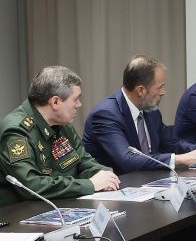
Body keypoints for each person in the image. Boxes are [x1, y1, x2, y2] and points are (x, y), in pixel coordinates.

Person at [83, 55, 196, 174]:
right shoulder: (106, 115)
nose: (163, 92)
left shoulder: (149, 109)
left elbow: (171, 143)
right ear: (141, 90)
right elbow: (126, 160)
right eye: (160, 87)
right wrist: (178, 159)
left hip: (151, 181)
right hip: (118, 188)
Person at [0, 66, 119, 206]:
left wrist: (103, 174)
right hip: (21, 212)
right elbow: (31, 186)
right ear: (55, 102)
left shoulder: (62, 125)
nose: (79, 105)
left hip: (60, 205)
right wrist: (90, 184)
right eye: (76, 99)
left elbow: (83, 162)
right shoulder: (17, 131)